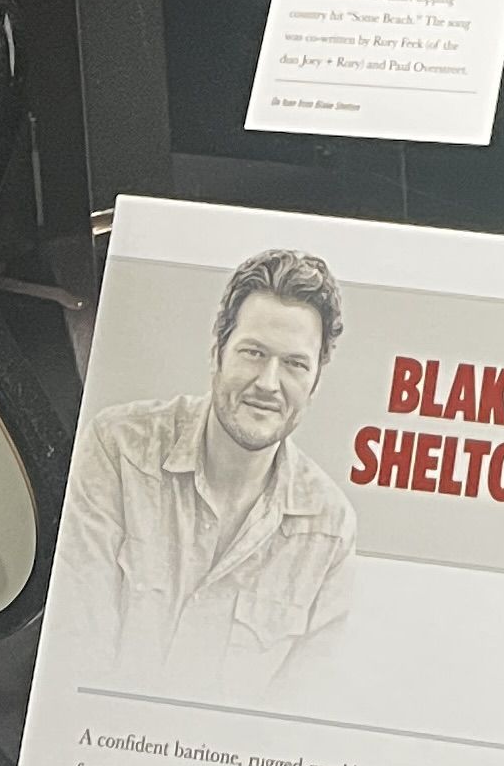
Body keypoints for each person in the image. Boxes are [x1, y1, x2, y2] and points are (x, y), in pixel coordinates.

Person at [64, 247, 357, 700]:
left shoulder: (330, 527)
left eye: (295, 364)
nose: (268, 383)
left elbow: (301, 713)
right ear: (218, 352)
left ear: (316, 380)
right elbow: (76, 654)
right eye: (253, 352)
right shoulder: (118, 448)